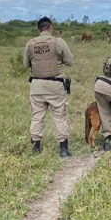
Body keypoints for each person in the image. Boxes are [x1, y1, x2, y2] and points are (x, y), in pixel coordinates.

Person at [23, 16, 75, 157]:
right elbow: (70, 61)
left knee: (37, 117)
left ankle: (36, 147)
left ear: (39, 29)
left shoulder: (30, 43)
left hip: (37, 85)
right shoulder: (58, 42)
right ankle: (63, 149)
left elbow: (26, 65)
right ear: (50, 28)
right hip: (55, 85)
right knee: (60, 117)